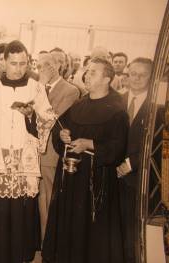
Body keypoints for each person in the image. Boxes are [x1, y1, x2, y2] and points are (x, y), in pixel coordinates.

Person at [0, 40, 54, 263]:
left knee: (19, 209)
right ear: (3, 62)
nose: (18, 68)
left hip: (22, 159)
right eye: (14, 63)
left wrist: (31, 117)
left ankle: (17, 256)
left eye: (23, 63)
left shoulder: (36, 89)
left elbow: (47, 123)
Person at [42, 58, 129, 263]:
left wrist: (90, 144)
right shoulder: (78, 106)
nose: (86, 76)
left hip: (96, 182)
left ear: (107, 78)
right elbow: (59, 130)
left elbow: (117, 149)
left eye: (93, 72)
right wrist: (62, 135)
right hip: (71, 180)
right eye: (87, 71)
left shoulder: (117, 111)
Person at [36, 52, 79, 240]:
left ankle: (48, 241)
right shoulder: (39, 87)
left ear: (57, 66)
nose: (41, 70)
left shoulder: (70, 90)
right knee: (38, 198)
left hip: (50, 153)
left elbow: (52, 118)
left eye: (45, 65)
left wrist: (40, 86)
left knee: (48, 197)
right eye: (38, 66)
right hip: (33, 151)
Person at [116, 57, 153, 263]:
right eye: (133, 73)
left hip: (138, 178)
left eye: (143, 74)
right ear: (127, 74)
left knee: (131, 232)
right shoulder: (116, 100)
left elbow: (157, 144)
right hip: (113, 174)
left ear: (151, 77)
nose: (137, 78)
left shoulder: (158, 107)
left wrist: (131, 164)